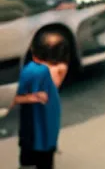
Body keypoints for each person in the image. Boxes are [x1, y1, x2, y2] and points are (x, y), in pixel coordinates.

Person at [14, 30, 69, 169]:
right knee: (46, 156)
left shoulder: (31, 71)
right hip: (47, 122)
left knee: (29, 157)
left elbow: (14, 98)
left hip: (32, 125)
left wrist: (30, 97)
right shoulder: (61, 68)